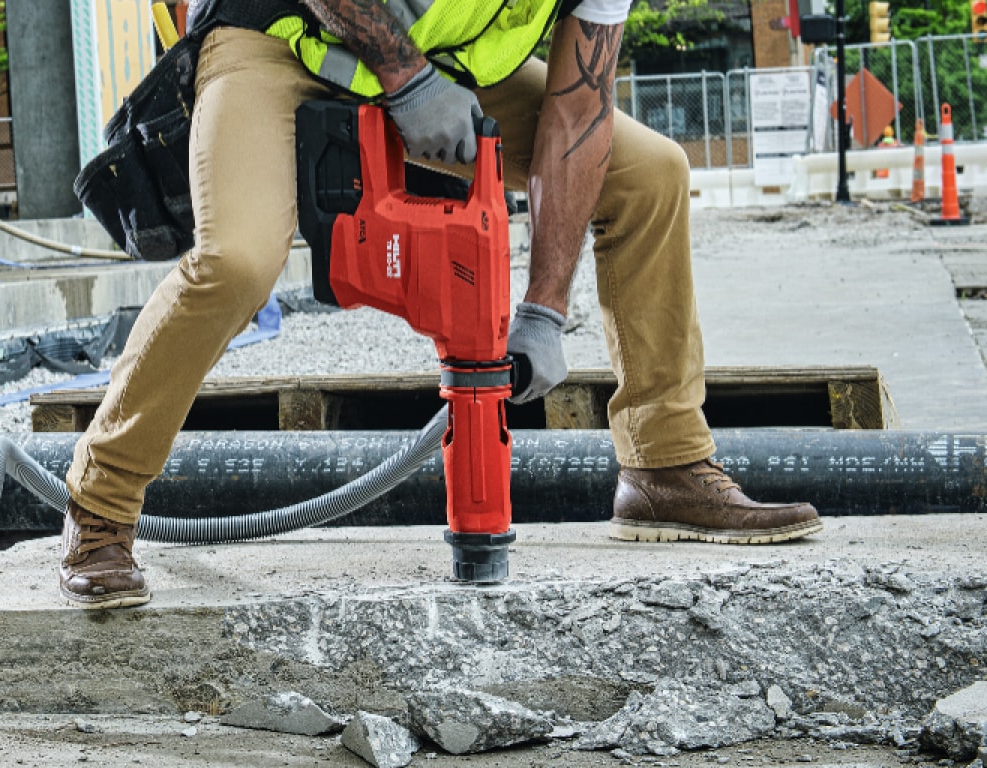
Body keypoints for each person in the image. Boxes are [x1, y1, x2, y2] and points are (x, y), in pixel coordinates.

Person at [58, 0, 823, 609]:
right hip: (284, 42)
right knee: (237, 260)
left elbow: (578, 106)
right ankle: (101, 505)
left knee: (652, 172)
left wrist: (545, 308)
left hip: (441, 75)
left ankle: (666, 469)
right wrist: (406, 78)